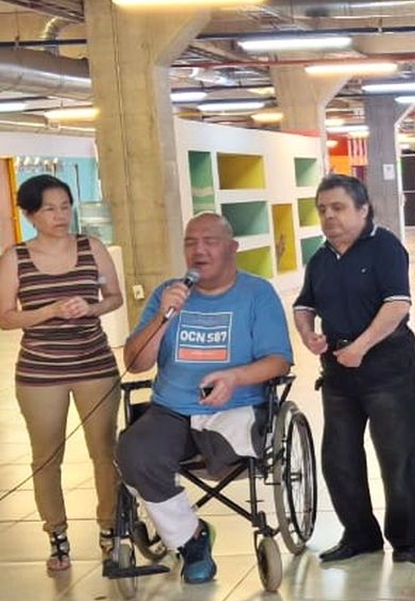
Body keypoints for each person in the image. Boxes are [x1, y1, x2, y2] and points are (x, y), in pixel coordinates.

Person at [115, 212, 293, 584]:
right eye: (190, 242)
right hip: (172, 409)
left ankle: (183, 530)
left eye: (210, 241)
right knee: (134, 453)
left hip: (237, 408)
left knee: (226, 451)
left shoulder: (257, 293)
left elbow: (279, 360)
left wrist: (235, 377)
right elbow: (135, 363)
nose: (199, 250)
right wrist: (163, 316)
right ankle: (192, 539)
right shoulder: (167, 293)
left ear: (232, 248)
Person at [0, 174, 123, 572]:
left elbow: (114, 297)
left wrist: (91, 307)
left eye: (65, 207)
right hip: (40, 371)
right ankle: (57, 535)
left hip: (94, 364)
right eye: (49, 209)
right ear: (30, 214)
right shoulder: (15, 258)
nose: (60, 215)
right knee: (46, 456)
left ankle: (110, 529)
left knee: (105, 451)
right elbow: (5, 317)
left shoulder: (91, 247)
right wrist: (48, 311)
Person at [292, 174, 415, 564]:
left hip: (388, 369)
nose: (329, 216)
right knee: (339, 458)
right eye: (322, 209)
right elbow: (303, 304)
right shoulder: (321, 258)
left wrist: (362, 347)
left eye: (338, 207)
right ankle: (360, 534)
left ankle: (407, 539)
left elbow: (397, 304)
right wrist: (308, 334)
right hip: (339, 373)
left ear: (363, 210)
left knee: (397, 458)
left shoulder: (386, 248)